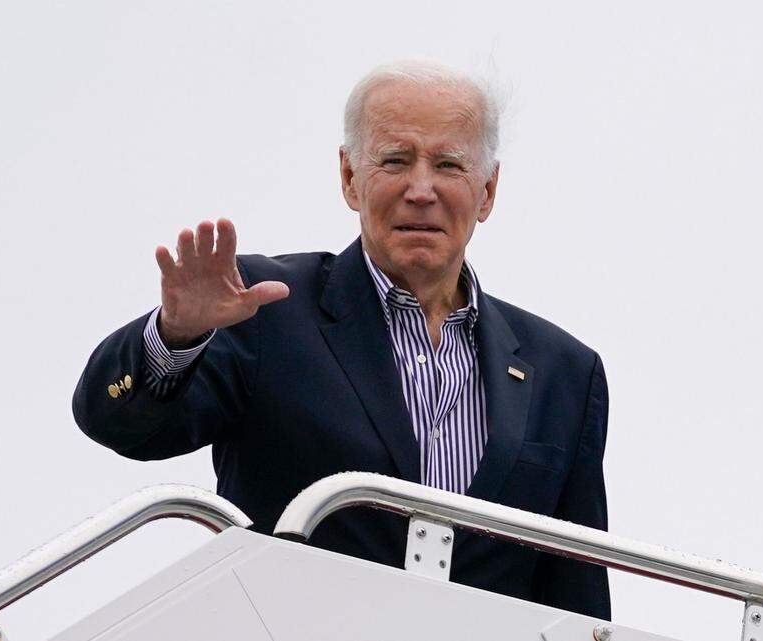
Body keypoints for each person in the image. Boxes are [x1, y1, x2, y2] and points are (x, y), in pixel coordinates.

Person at [72, 60, 610, 619]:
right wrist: (177, 334)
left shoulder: (564, 371)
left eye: (448, 165)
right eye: (395, 161)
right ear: (350, 177)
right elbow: (120, 425)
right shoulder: (263, 307)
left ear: (488, 191)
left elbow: (575, 598)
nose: (420, 189)